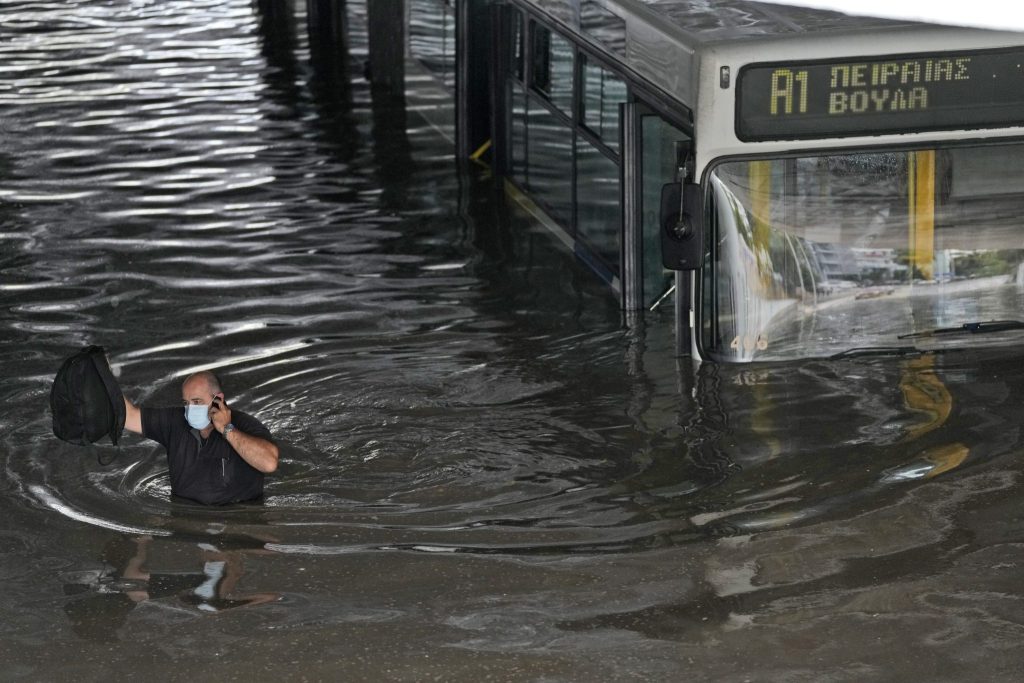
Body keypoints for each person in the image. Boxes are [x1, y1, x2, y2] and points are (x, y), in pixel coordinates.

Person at [122, 371, 278, 505]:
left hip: (236, 521)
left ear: (218, 399)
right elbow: (129, 416)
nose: (190, 409)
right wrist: (101, 370)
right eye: (186, 403)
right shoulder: (175, 422)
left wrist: (226, 429)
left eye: (197, 402)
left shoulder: (246, 424)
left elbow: (269, 463)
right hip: (184, 517)